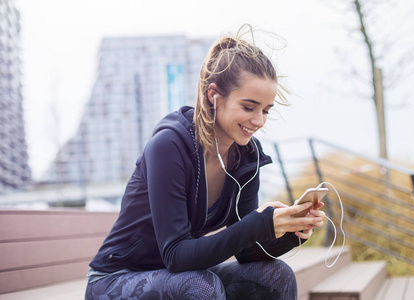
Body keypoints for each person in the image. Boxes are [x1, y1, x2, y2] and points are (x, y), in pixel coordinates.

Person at [85, 24, 325, 300]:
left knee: (276, 276)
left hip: (181, 277)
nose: (258, 121)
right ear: (214, 95)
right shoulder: (169, 147)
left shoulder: (246, 156)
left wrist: (288, 231)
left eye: (265, 111)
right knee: (200, 285)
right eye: (248, 107)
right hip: (118, 280)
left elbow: (246, 252)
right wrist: (260, 223)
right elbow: (176, 255)